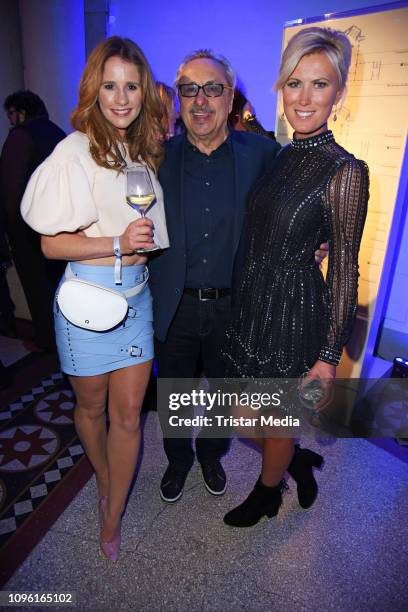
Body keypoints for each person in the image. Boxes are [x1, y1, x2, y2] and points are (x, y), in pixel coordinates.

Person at [148, 49, 327, 504]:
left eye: (213, 89)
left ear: (231, 99)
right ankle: (178, 460)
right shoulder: (155, 160)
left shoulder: (263, 154)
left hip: (238, 305)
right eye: (189, 89)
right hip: (176, 303)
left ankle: (210, 454)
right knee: (176, 391)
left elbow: (300, 201)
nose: (201, 100)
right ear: (179, 100)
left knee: (226, 394)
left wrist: (319, 238)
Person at [20, 37, 169, 561]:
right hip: (87, 297)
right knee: (91, 407)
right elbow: (48, 242)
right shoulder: (73, 150)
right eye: (110, 86)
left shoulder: (141, 149)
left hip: (137, 299)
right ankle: (104, 473)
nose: (121, 97)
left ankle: (112, 514)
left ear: (142, 90)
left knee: (128, 416)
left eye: (131, 86)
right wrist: (117, 243)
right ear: (94, 89)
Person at [222, 27, 369, 527]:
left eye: (320, 84)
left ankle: (268, 492)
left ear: (339, 93)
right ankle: (293, 460)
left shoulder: (345, 170)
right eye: (294, 83)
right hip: (254, 302)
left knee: (276, 416)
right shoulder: (284, 153)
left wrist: (329, 358)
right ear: (281, 86)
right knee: (244, 416)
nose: (304, 99)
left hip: (294, 311)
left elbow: (345, 265)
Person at [0, 91, 66, 351]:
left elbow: (10, 190)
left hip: (29, 231)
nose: (10, 120)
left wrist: (11, 231)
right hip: (61, 225)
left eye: (11, 114)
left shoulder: (21, 136)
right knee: (60, 285)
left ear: (21, 111)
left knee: (37, 288)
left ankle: (47, 341)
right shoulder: (58, 133)